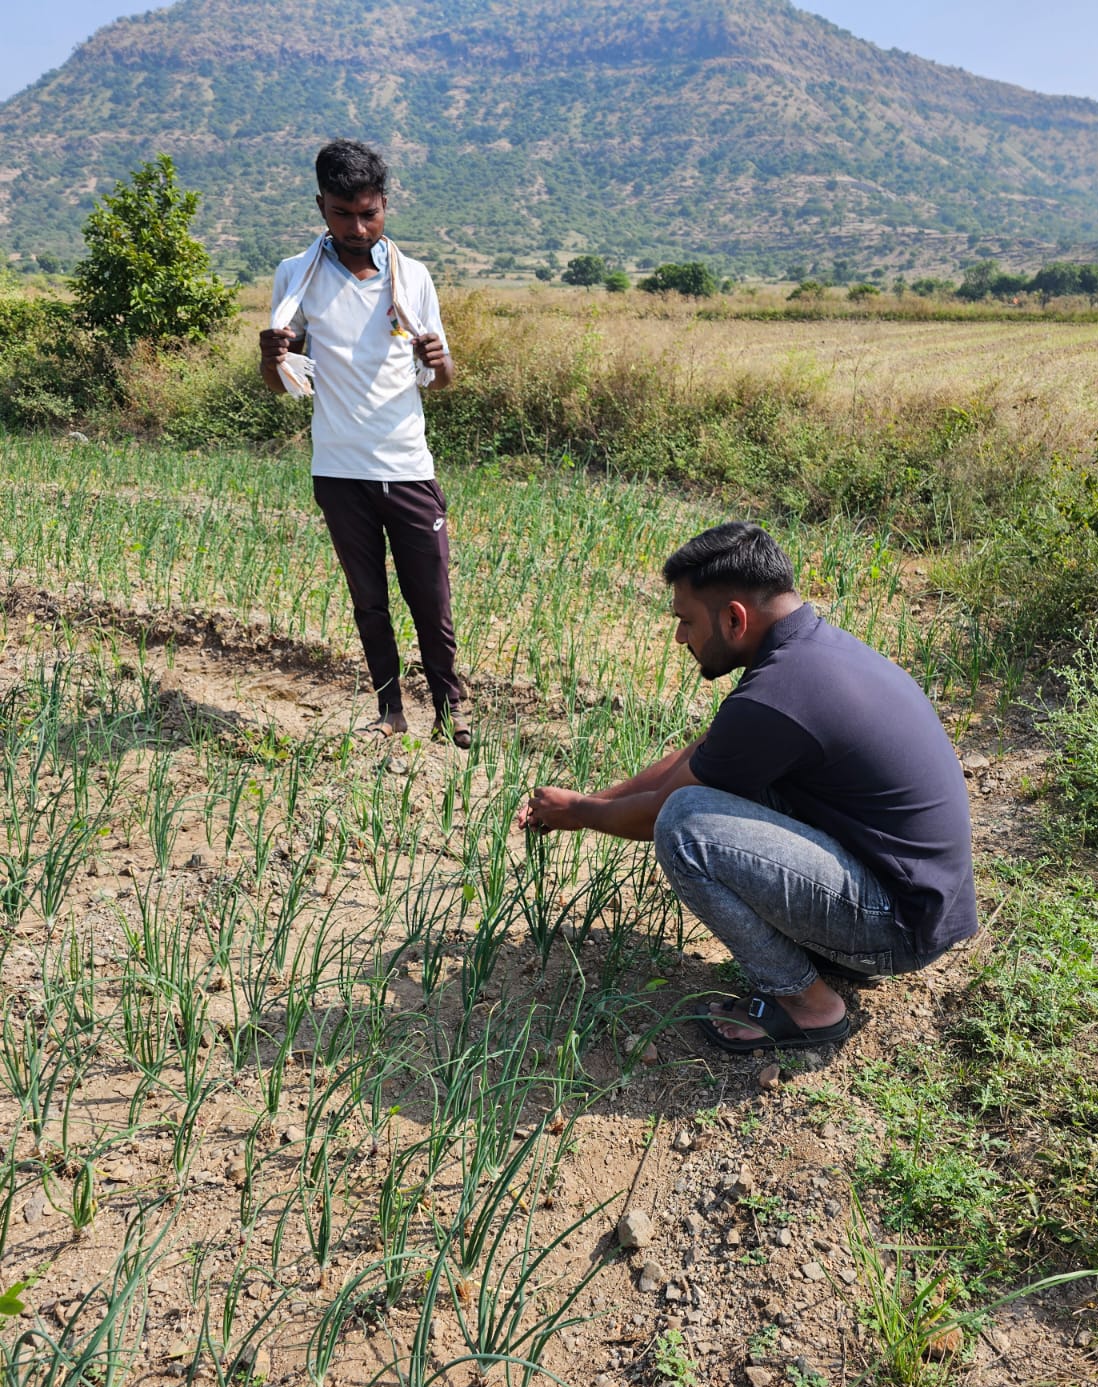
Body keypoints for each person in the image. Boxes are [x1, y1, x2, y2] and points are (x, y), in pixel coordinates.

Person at [518, 522, 977, 1054]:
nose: (680, 638)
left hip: (898, 927)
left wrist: (576, 812)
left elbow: (662, 813)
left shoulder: (780, 692)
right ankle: (831, 954)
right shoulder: (810, 654)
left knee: (686, 825)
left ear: (735, 618)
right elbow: (696, 757)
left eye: (687, 622)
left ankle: (808, 1006)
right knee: (707, 794)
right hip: (914, 900)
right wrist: (593, 800)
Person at [260, 139, 469, 746]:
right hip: (339, 469)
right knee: (368, 600)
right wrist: (269, 358)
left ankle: (450, 708)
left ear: (385, 205)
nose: (357, 226)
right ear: (320, 205)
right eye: (342, 213)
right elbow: (281, 385)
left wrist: (441, 358)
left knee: (430, 598)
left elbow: (443, 377)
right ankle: (390, 711)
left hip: (406, 464)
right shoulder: (297, 279)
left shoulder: (414, 278)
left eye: (369, 212)